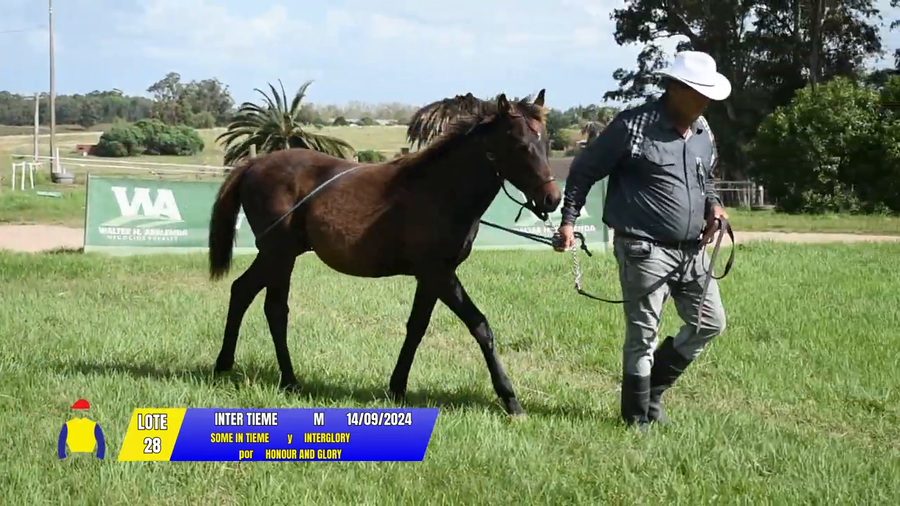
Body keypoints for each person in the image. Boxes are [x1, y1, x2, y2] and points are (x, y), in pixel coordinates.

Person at [555, 51, 730, 431]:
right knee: (643, 336)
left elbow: (706, 179)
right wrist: (569, 221)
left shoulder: (703, 131)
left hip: (693, 250)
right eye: (699, 92)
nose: (706, 101)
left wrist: (714, 206)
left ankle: (651, 394)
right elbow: (584, 171)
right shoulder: (631, 126)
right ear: (676, 88)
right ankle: (637, 421)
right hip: (643, 248)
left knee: (710, 323)